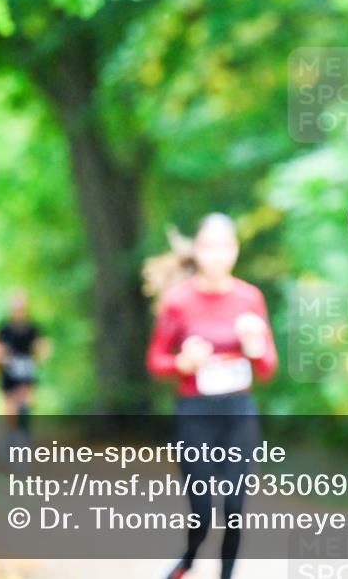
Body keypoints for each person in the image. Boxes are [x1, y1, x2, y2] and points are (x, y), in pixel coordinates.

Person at [146, 213, 278, 579]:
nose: (218, 254)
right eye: (210, 246)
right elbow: (156, 361)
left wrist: (254, 347)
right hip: (195, 414)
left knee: (235, 509)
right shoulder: (178, 301)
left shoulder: (250, 297)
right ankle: (188, 561)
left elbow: (268, 368)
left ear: (235, 250)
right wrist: (183, 363)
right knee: (202, 511)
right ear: (198, 251)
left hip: (239, 413)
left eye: (225, 246)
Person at [0, 289, 51, 431]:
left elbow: (44, 348)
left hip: (27, 373)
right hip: (9, 374)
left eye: (21, 308)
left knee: (26, 408)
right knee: (10, 411)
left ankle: (23, 441)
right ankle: (11, 441)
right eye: (16, 308)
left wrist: (40, 351)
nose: (19, 311)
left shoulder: (33, 328)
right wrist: (0, 355)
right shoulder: (3, 330)